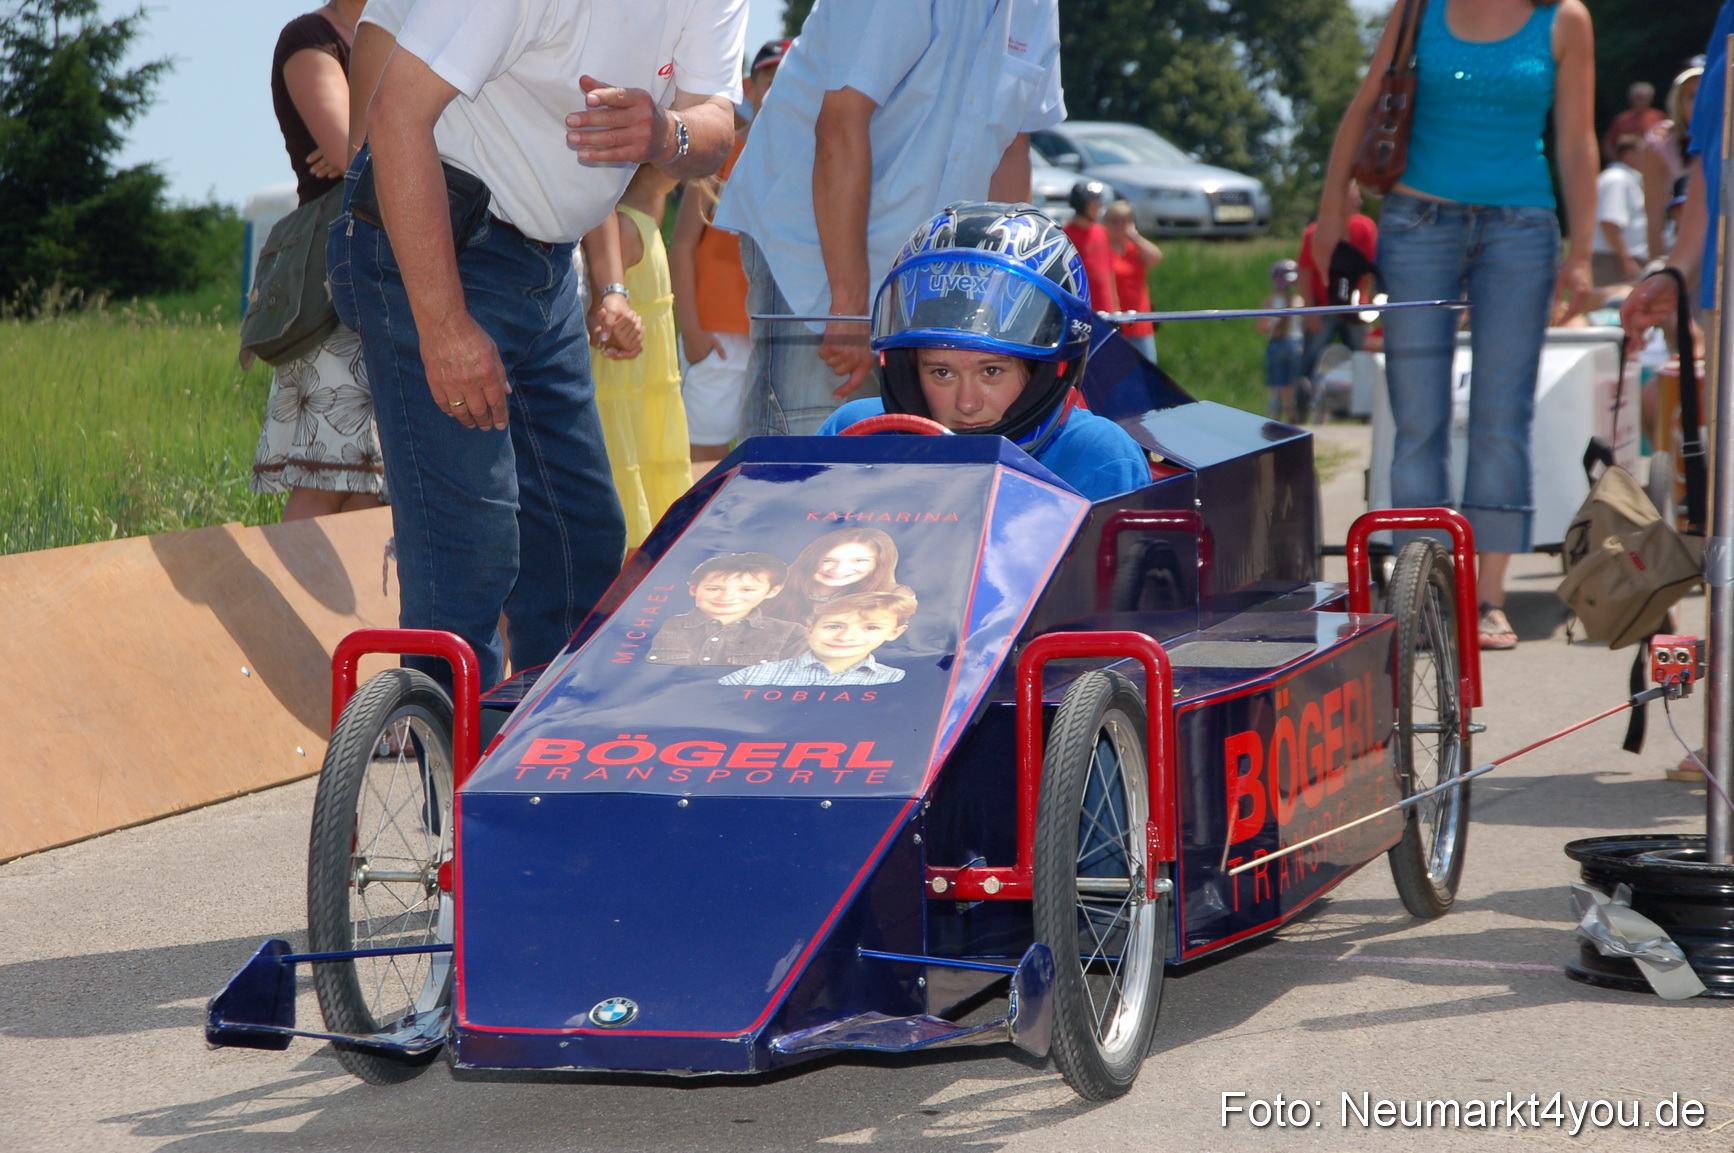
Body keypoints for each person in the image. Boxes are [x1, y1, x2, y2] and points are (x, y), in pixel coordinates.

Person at [329, 0, 746, 692]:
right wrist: (444, 324)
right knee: (471, 552)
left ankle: (546, 762)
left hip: (546, 267)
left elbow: (715, 121)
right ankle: (454, 781)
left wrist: (664, 131)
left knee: (581, 538)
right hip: (436, 242)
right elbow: (396, 114)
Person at [1313, 0, 1598, 652]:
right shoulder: (1420, 8)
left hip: (1521, 229)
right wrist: (1332, 213)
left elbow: (1577, 141)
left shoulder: (1565, 20)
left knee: (1503, 415)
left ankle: (1488, 597)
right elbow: (1365, 103)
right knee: (1419, 417)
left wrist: (1581, 252)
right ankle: (1426, 587)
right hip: (1417, 222)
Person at [715, 0, 1066, 436]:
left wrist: (1011, 299)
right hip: (815, 256)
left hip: (935, 279)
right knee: (805, 459)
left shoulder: (1036, 7)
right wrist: (848, 307)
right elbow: (841, 123)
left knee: (915, 464)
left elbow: (1012, 148)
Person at [818, 202, 1152, 503]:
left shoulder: (1094, 454)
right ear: (907, 371)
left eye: (991, 371)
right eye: (941, 372)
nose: (967, 403)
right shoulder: (858, 433)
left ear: (1047, 372)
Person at [251, 0, 387, 522]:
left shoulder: (409, 32)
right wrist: (368, 143)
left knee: (372, 482)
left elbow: (358, 150)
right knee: (326, 473)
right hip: (336, 281)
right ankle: (283, 608)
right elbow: (351, 155)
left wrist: (363, 138)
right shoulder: (310, 38)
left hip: (395, 277)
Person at [671, 38, 786, 481]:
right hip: (717, 333)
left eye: (790, 81)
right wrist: (693, 330)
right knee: (703, 459)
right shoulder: (719, 153)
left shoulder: (815, 158)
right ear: (749, 87)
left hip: (780, 332)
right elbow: (682, 244)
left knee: (774, 455)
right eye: (771, 80)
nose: (779, 91)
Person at [592, 164, 689, 548]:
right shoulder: (626, 228)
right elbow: (594, 312)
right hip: (624, 395)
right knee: (631, 519)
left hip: (643, 395)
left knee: (645, 510)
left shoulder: (641, 224)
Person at [1296, 177, 1378, 410]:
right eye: (1354, 197)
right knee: (1312, 353)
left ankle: (1364, 405)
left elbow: (1372, 267)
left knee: (1362, 353)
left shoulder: (1365, 227)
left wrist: (1370, 303)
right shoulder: (1315, 232)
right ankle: (1303, 402)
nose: (1360, 201)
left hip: (1355, 305)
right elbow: (1304, 272)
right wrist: (1310, 310)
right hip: (1324, 306)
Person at [718, 591, 915, 687]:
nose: (845, 637)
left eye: (870, 628)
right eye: (834, 626)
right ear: (810, 630)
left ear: (894, 633)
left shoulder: (898, 681)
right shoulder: (753, 676)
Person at [645, 552, 805, 666]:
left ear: (772, 591)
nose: (726, 597)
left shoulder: (791, 634)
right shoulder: (657, 626)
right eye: (714, 588)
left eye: (747, 590)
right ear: (693, 588)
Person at [768, 527, 913, 623]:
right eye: (828, 560)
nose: (839, 569)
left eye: (859, 561)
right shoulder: (774, 585)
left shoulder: (896, 597)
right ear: (810, 559)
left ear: (879, 564)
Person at [1639, 63, 1702, 265]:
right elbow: (1655, 214)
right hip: (1683, 252)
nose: (1700, 102)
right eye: (1691, 96)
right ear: (1678, 103)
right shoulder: (1663, 143)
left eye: (1707, 92)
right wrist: (1656, 267)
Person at [1104, 200, 1161, 362]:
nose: (1120, 226)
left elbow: (1155, 257)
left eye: (1125, 221)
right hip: (1113, 320)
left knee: (1148, 370)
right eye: (1115, 221)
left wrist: (1134, 237)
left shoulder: (1135, 249)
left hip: (1139, 320)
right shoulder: (1103, 249)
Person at [1592, 135, 1648, 288]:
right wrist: (1626, 260)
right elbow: (1609, 221)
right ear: (1629, 155)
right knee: (1612, 307)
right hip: (1612, 261)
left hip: (1615, 258)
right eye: (1643, 153)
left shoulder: (1623, 178)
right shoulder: (1617, 179)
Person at [1259, 260, 1307, 423]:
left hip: (1277, 343)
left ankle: (1273, 415)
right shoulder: (1300, 301)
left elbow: (1262, 326)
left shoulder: (1270, 302)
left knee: (1275, 384)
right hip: (1296, 343)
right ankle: (1291, 415)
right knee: (1291, 384)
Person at [1063, 180, 1120, 317]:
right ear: (1081, 205)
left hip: (1106, 309)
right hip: (1083, 309)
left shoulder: (1101, 231)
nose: (1099, 206)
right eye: (1094, 203)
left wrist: (1115, 306)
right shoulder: (1067, 235)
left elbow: (1109, 272)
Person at [1604, 80, 1665, 162]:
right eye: (1637, 98)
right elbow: (1609, 144)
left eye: (1643, 98)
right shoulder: (1621, 119)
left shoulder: (1659, 117)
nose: (1639, 101)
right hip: (1626, 165)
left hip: (1651, 161)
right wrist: (1616, 161)